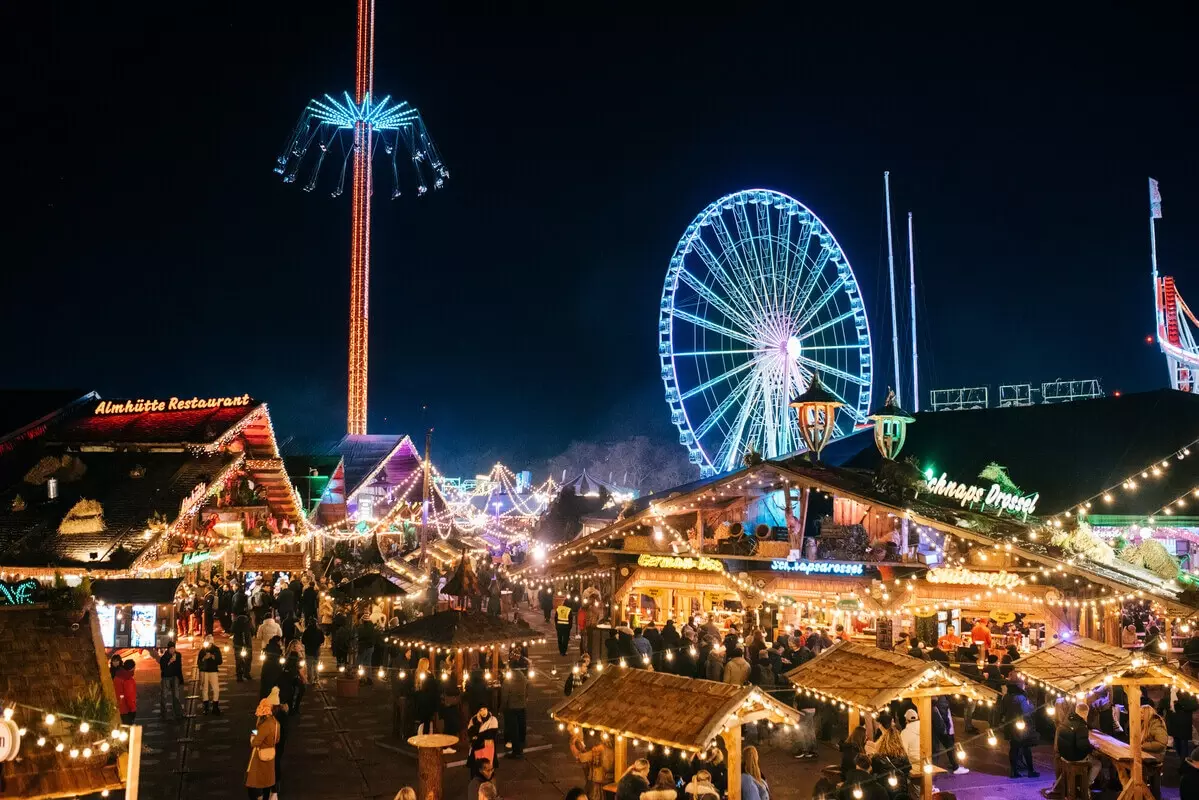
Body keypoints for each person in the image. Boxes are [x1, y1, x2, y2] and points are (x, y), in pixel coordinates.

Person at [245, 694, 281, 800]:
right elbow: (277, 739)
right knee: (267, 783)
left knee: (252, 784)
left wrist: (253, 734)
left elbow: (255, 742)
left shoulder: (265, 725)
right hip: (271, 755)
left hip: (259, 757)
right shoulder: (276, 723)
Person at [1002, 680, 1039, 778]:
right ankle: (1030, 771)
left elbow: (1002, 710)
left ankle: (1014, 771)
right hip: (1021, 726)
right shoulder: (1021, 697)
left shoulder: (1006, 696)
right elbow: (1026, 711)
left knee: (1013, 748)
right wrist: (1031, 706)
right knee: (1026, 748)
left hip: (1010, 726)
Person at [569, 730, 614, 800]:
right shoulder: (614, 750)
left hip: (599, 785)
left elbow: (581, 757)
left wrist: (577, 745)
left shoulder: (599, 749)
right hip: (607, 783)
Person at [932, 695, 968, 774]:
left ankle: (953, 765)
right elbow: (944, 715)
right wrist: (947, 728)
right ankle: (955, 767)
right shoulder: (942, 699)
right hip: (944, 728)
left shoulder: (938, 699)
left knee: (937, 749)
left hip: (938, 727)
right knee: (949, 747)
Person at [501, 666, 528, 758]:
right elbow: (527, 691)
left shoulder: (508, 681)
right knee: (521, 727)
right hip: (522, 706)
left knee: (513, 729)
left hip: (511, 707)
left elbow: (504, 696)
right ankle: (521, 746)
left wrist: (502, 707)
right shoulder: (524, 678)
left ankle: (516, 752)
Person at [467, 707, 499, 776]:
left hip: (488, 750)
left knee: (488, 771)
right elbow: (470, 733)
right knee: (476, 771)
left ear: (487, 709)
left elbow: (491, 735)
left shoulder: (493, 719)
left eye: (484, 709)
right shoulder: (474, 719)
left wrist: (477, 737)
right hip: (476, 750)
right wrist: (478, 723)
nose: (483, 712)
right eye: (480, 710)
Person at [158, 641, 184, 720]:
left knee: (176, 695)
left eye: (174, 648)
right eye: (171, 649)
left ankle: (178, 713)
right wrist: (169, 662)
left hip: (175, 677)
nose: (172, 650)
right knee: (164, 696)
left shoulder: (178, 655)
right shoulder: (164, 657)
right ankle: (164, 713)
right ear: (168, 649)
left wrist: (181, 678)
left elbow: (179, 667)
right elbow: (163, 669)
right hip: (166, 677)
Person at [1171, 691, 1199, 763]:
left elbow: (1194, 706)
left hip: (1185, 724)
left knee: (1183, 744)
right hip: (1175, 723)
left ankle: (1184, 763)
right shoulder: (1173, 691)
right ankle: (1182, 762)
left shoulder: (1189, 693)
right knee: (1178, 744)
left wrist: (1181, 704)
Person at [198, 633, 223, 715]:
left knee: (216, 689)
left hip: (213, 671)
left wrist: (213, 657)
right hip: (204, 671)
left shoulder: (216, 649)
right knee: (205, 690)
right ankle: (206, 707)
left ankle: (215, 707)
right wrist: (204, 658)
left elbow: (220, 661)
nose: (208, 645)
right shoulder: (202, 650)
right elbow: (199, 662)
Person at [114, 659, 138, 725]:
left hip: (119, 707)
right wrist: (133, 709)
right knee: (128, 730)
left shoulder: (117, 676)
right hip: (126, 710)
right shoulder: (128, 679)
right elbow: (129, 696)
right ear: (132, 668)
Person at [301, 616, 325, 682]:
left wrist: (307, 644)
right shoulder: (319, 631)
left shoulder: (306, 631)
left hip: (308, 651)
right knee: (316, 665)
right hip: (316, 650)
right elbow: (322, 640)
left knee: (309, 666)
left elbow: (303, 641)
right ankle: (316, 678)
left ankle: (310, 679)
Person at [232, 609, 254, 681]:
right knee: (248, 658)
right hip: (247, 644)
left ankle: (239, 676)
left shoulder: (235, 622)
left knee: (238, 659)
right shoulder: (248, 622)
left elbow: (232, 630)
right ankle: (247, 673)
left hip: (237, 643)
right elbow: (253, 631)